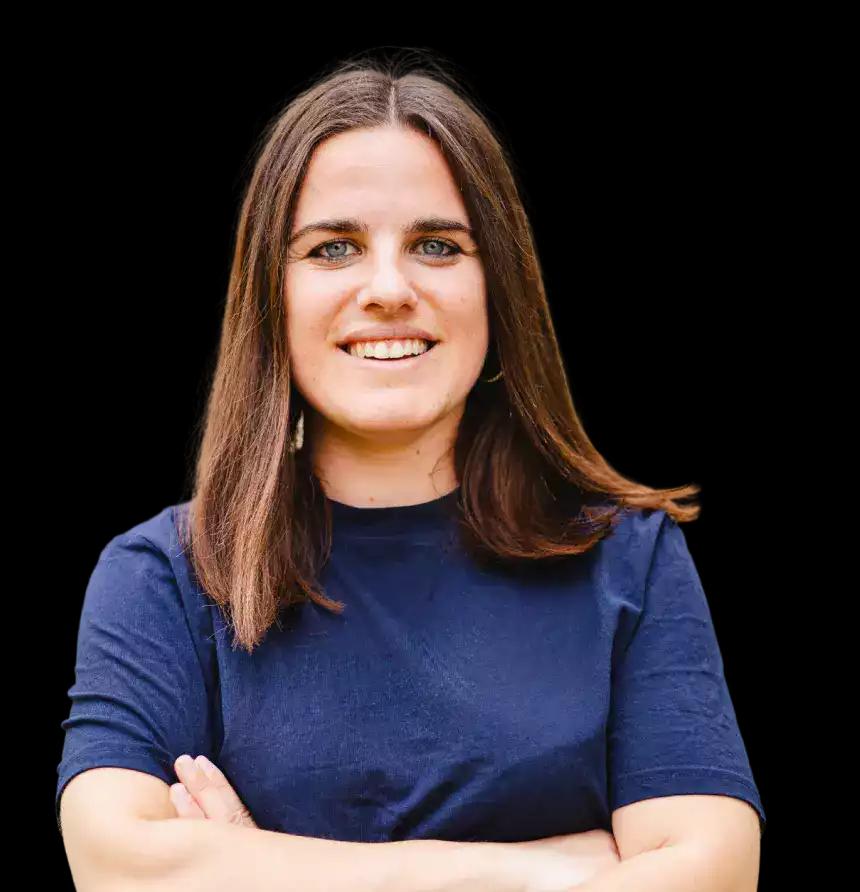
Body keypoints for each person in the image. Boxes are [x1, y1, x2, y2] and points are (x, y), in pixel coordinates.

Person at [56, 51, 764, 889]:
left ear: (499, 287)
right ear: (270, 297)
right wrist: (552, 871)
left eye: (436, 245)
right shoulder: (166, 578)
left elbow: (714, 873)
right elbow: (120, 869)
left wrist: (253, 864)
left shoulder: (628, 558)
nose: (388, 288)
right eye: (333, 249)